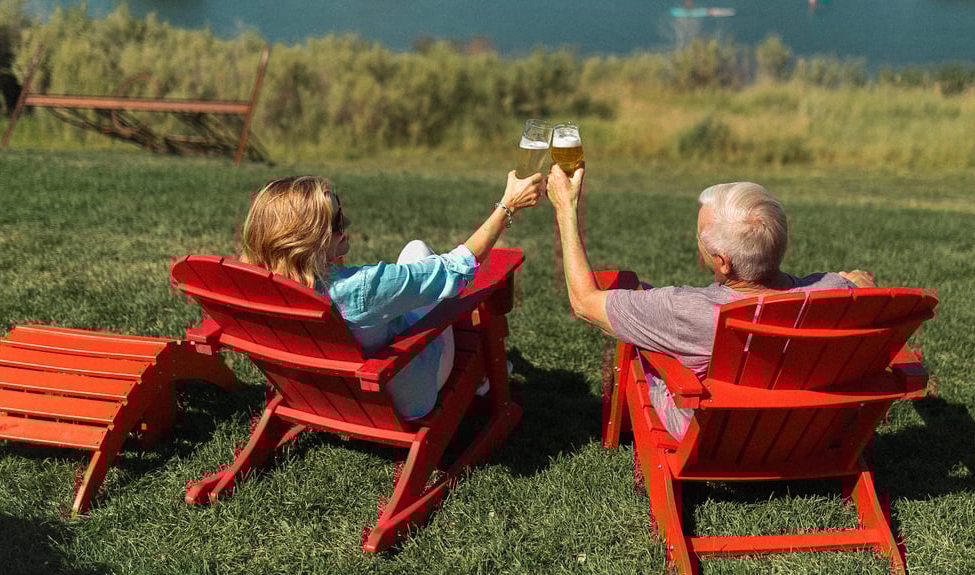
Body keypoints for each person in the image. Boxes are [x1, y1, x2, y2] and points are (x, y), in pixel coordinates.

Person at [546, 165, 875, 439]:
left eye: (699, 236)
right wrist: (855, 279)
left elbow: (584, 303)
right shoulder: (831, 291)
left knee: (638, 346)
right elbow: (863, 282)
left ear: (721, 262)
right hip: (806, 433)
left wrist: (565, 208)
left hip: (713, 437)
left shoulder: (685, 310)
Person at [240, 170, 543, 420]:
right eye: (335, 222)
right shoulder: (363, 287)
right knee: (434, 273)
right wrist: (507, 206)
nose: (345, 226)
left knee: (415, 252)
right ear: (308, 241)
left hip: (321, 396)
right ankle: (482, 376)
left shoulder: (255, 288)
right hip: (400, 395)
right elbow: (456, 268)